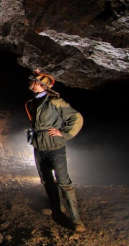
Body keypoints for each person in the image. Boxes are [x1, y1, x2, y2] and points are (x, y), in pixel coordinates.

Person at [25, 69, 85, 232]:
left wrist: (64, 133)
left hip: (55, 148)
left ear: (41, 85)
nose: (32, 82)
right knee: (46, 180)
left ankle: (76, 220)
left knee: (64, 183)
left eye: (35, 80)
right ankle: (57, 209)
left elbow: (76, 118)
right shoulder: (33, 102)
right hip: (39, 147)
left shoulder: (54, 102)